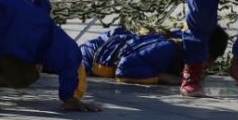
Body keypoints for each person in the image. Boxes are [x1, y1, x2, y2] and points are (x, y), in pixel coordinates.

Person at [79, 27, 229, 85]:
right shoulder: (167, 49)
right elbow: (123, 71)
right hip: (90, 56)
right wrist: (165, 78)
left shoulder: (183, 45)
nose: (208, 65)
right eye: (208, 59)